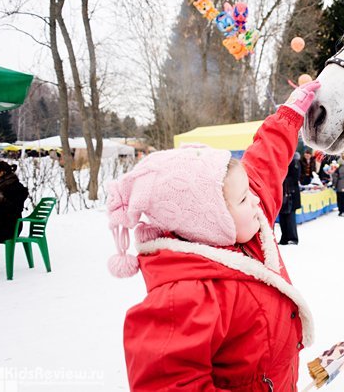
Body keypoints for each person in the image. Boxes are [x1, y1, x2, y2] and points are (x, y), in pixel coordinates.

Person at [107, 81, 320, 391]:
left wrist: (289, 114)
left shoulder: (246, 229)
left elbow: (265, 161)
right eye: (244, 199)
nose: (257, 202)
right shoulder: (182, 298)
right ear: (211, 220)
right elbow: (169, 383)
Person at [0, 161, 28, 244]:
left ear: (1, 173)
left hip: (9, 228)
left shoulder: (15, 188)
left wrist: (0, 200)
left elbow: (14, 209)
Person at [279, 153, 302, 245]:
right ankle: (284, 238)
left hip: (291, 194)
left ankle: (293, 237)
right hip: (283, 193)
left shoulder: (294, 162)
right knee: (282, 217)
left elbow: (295, 178)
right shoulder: (283, 162)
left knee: (290, 217)